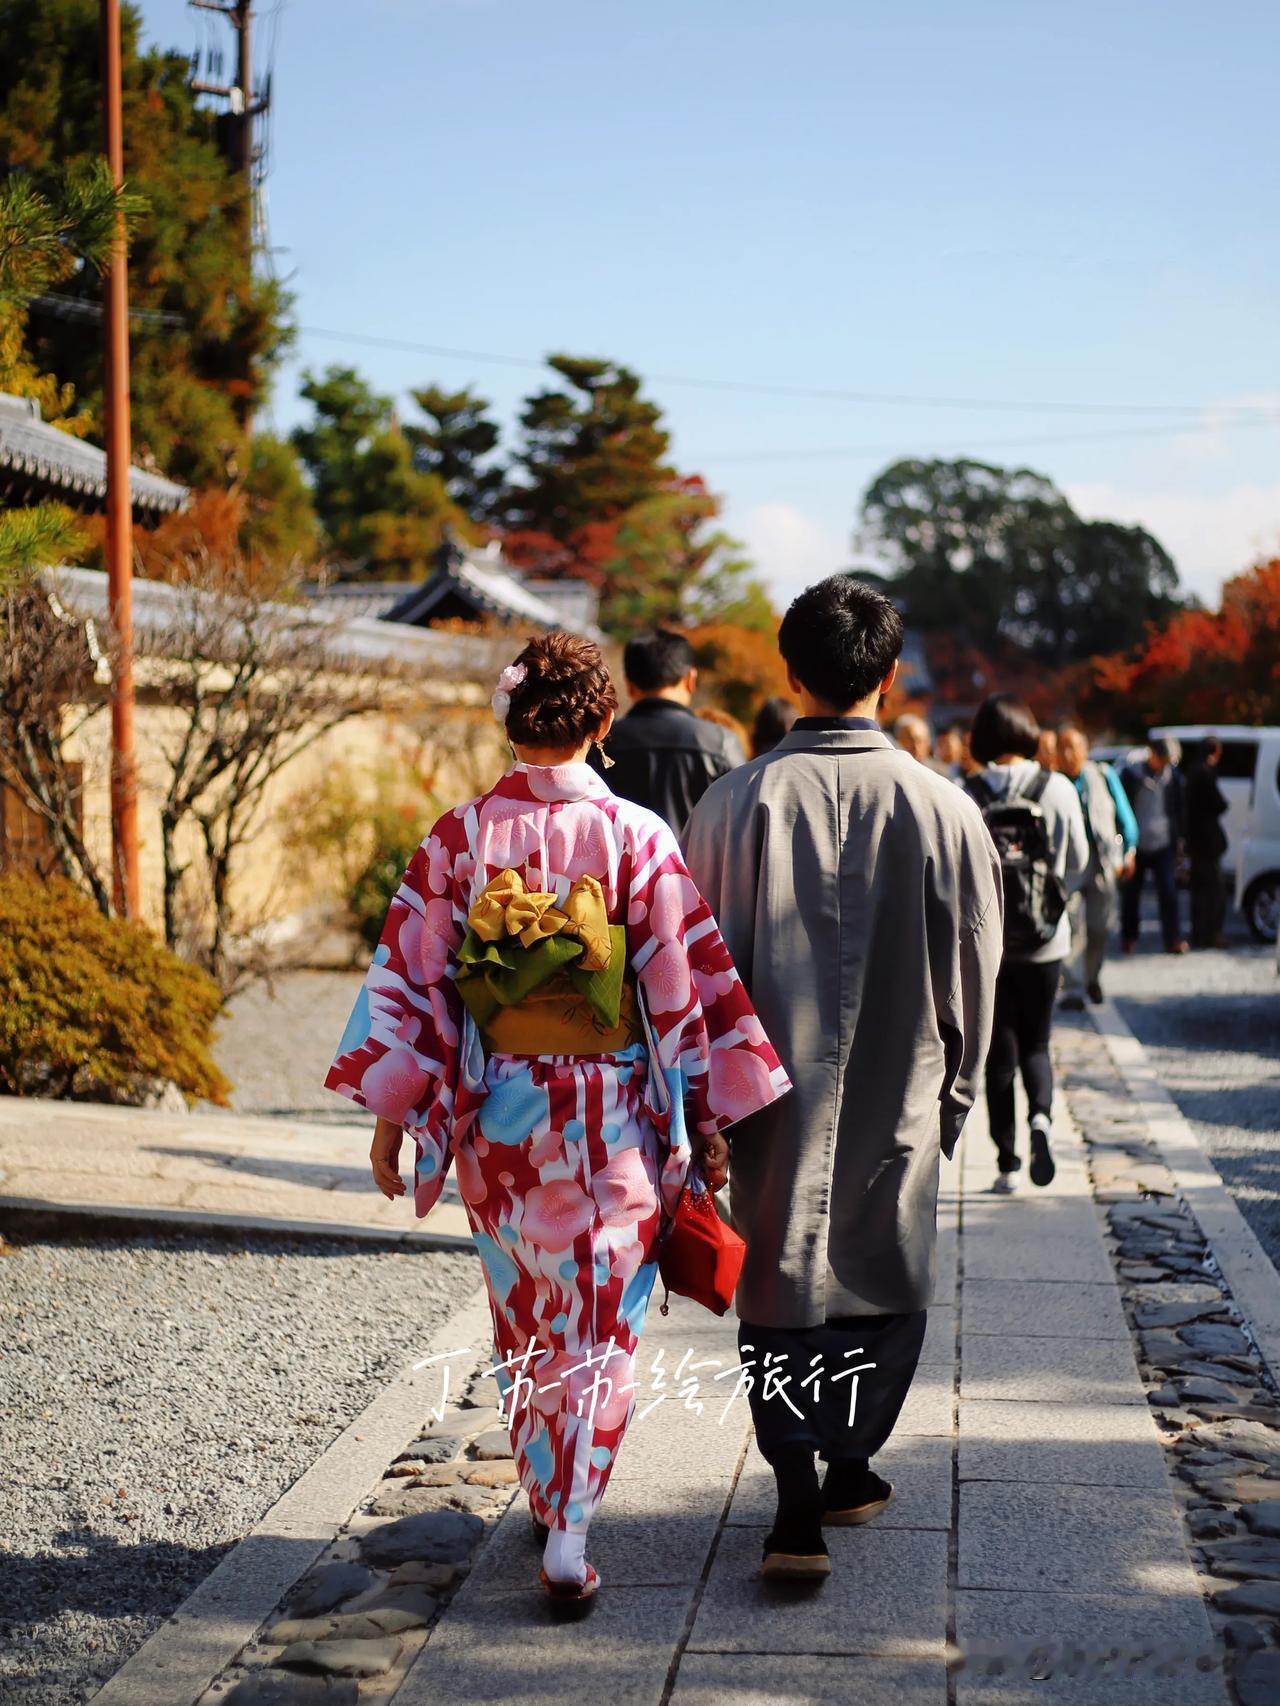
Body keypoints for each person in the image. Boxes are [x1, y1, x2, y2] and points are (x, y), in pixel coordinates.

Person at [324, 634, 789, 1609]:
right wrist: (702, 1113)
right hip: (612, 1120)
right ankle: (569, 1530)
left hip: (501, 1126)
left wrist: (392, 1117)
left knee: (525, 1316)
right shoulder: (635, 836)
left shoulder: (455, 839)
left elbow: (409, 985)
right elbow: (674, 989)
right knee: (600, 1330)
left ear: (511, 720)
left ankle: (550, 1491)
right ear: (601, 723)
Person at [683, 577, 1003, 1582]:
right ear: (889, 672)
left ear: (789, 671)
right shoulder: (941, 806)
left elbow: (684, 967)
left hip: (762, 1098)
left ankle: (792, 1502)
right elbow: (973, 963)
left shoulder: (729, 804)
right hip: (898, 1084)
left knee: (776, 1282)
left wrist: (697, 1106)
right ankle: (849, 1461)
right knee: (884, 1272)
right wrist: (958, 1092)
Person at [965, 695, 1088, 1194]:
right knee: (1038, 1042)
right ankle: (1042, 1119)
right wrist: (1055, 900)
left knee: (999, 1053)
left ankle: (1008, 1164)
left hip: (990, 945)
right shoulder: (1055, 787)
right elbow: (1079, 859)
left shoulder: (965, 790)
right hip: (1046, 944)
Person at [591, 630, 744, 832]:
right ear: (691, 679)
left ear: (628, 684)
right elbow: (743, 819)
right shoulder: (720, 742)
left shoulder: (601, 742)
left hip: (619, 862)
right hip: (698, 863)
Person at [1057, 724, 1138, 1008]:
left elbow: (1125, 816)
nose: (1068, 754)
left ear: (1084, 750)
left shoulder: (1103, 775)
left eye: (1074, 747)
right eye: (1062, 747)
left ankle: (1092, 977)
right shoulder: (1054, 783)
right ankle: (1075, 987)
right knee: (1071, 923)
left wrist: (1129, 851)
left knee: (1100, 926)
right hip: (1069, 864)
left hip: (1103, 860)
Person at [1120, 738, 1189, 955]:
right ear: (1152, 754)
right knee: (1131, 894)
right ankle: (1129, 937)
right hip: (1137, 843)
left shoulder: (1174, 778)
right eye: (1164, 759)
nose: (1166, 764)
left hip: (1163, 843)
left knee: (1169, 892)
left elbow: (1179, 810)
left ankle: (1173, 938)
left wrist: (1179, 840)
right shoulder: (1131, 776)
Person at [1185, 737, 1230, 948]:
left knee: (1199, 891)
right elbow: (1218, 804)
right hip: (1208, 840)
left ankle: (1199, 933)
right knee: (1214, 890)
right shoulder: (1205, 773)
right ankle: (1212, 933)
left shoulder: (1192, 772)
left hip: (1195, 840)